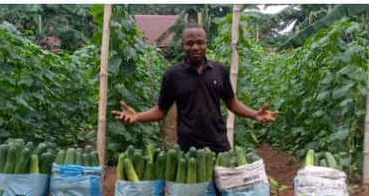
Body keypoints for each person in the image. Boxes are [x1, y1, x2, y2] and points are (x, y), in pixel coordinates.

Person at [114, 24, 277, 152]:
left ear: (206, 43)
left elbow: (232, 102)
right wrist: (137, 116)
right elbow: (161, 111)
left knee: (221, 191)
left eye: (200, 42)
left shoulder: (219, 70)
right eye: (189, 43)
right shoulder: (173, 75)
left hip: (218, 142)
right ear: (182, 45)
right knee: (194, 193)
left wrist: (255, 114)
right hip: (189, 147)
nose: (195, 47)